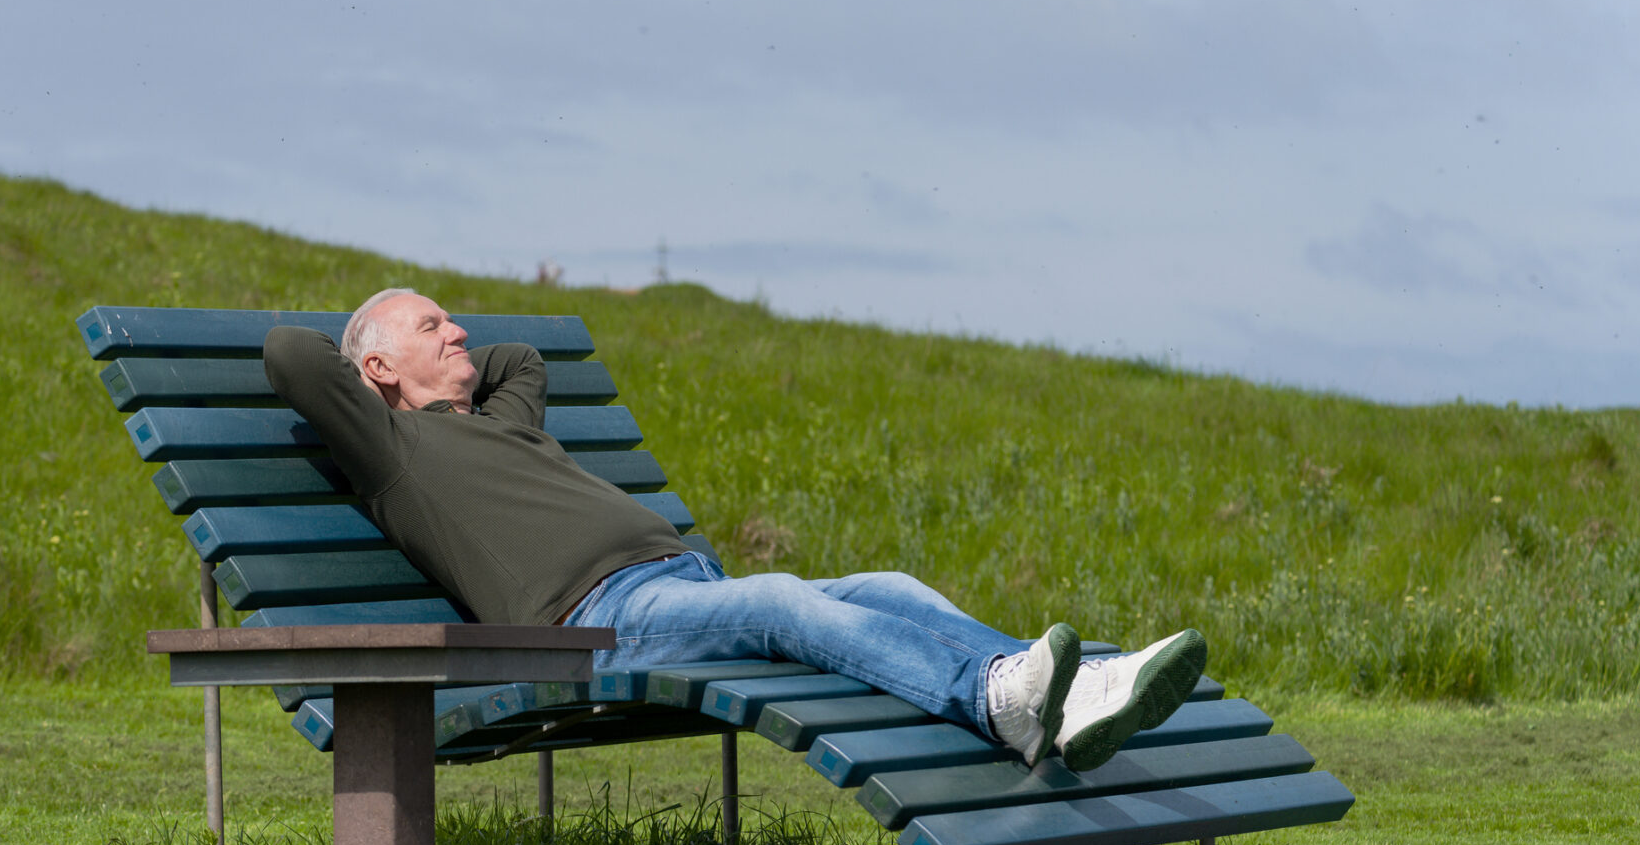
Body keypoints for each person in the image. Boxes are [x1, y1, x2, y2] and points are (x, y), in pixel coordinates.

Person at [263, 289, 1208, 772]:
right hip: (592, 621)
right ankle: (999, 699)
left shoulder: (500, 420)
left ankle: (1073, 688)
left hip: (679, 582)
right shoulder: (389, 446)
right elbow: (293, 355)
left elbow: (523, 358)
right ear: (379, 367)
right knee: (781, 602)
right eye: (432, 327)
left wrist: (444, 367)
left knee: (889, 585)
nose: (459, 331)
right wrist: (382, 372)